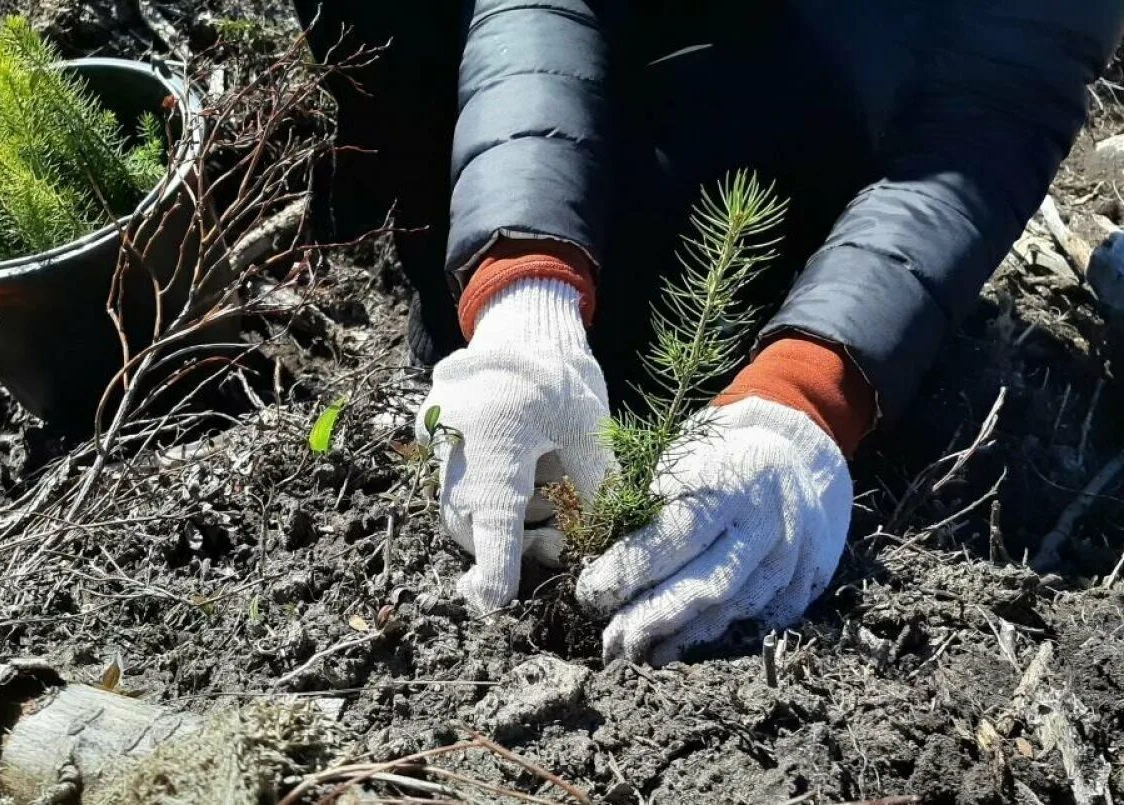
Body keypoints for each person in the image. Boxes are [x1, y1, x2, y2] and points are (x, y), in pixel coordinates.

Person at [294, 2, 1124, 664]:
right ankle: (483, 338)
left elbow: (996, 105)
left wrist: (807, 392)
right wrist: (521, 280)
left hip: (828, 88)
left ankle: (752, 349)